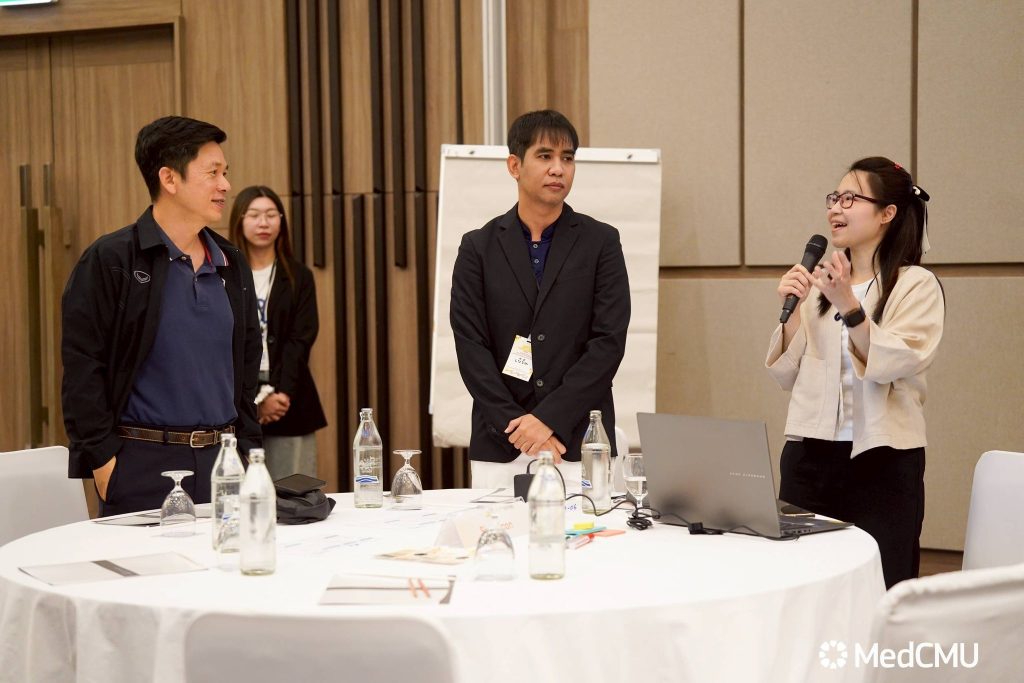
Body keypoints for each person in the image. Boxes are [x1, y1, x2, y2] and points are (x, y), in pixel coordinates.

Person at [61, 116, 262, 516]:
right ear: (169, 179)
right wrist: (104, 462)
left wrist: (249, 450)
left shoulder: (231, 261)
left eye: (225, 173)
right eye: (213, 173)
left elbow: (246, 364)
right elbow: (83, 366)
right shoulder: (112, 259)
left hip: (225, 462)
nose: (225, 185)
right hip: (141, 463)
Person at [766, 157, 944, 589]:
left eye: (850, 199)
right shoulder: (821, 285)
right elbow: (787, 374)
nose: (835, 208)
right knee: (802, 585)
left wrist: (848, 304)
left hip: (883, 460)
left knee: (879, 586)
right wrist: (794, 310)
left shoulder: (914, 284)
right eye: (834, 198)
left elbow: (897, 360)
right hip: (809, 457)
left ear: (887, 213)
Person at [450, 109, 631, 491]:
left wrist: (548, 420)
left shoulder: (601, 242)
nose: (558, 169)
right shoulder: (478, 247)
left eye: (568, 158)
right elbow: (471, 347)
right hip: (501, 439)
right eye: (545, 156)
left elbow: (608, 343)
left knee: (589, 529)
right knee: (498, 530)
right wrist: (518, 427)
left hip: (578, 438)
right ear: (515, 166)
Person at [229, 186, 327, 481]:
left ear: (281, 221)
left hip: (289, 399)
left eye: (271, 215)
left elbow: (301, 339)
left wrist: (280, 395)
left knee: (293, 490)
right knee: (240, 492)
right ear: (239, 220)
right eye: (254, 215)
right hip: (236, 400)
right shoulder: (223, 275)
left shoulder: (298, 276)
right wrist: (252, 403)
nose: (264, 223)